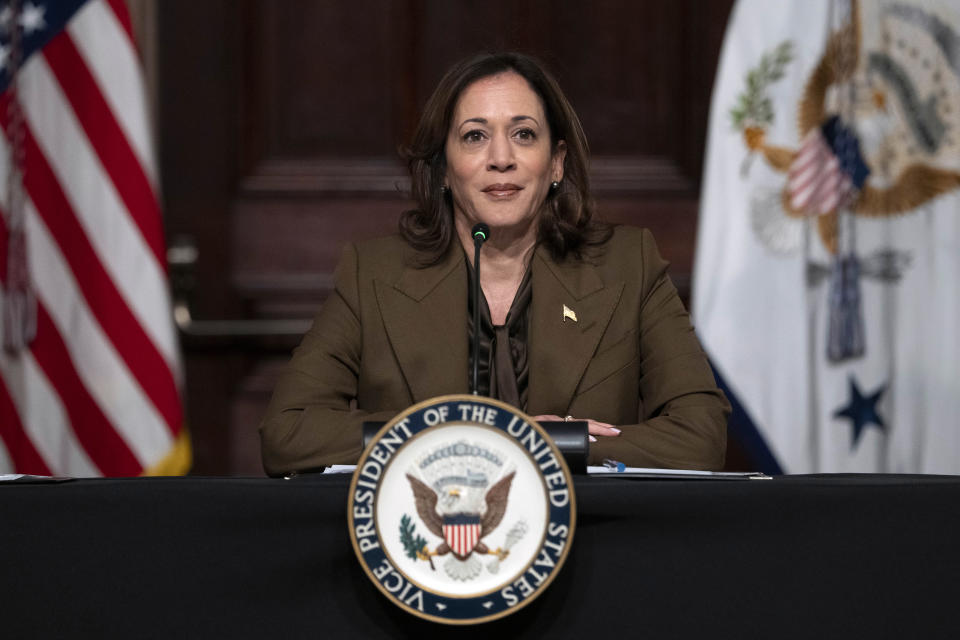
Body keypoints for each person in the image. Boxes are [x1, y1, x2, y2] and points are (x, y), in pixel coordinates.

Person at [259, 52, 729, 476]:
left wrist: (550, 445)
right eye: (475, 136)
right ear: (444, 168)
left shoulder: (628, 264)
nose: (501, 159)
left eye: (523, 134)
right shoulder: (374, 273)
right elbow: (288, 434)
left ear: (557, 162)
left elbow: (701, 436)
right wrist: (455, 431)